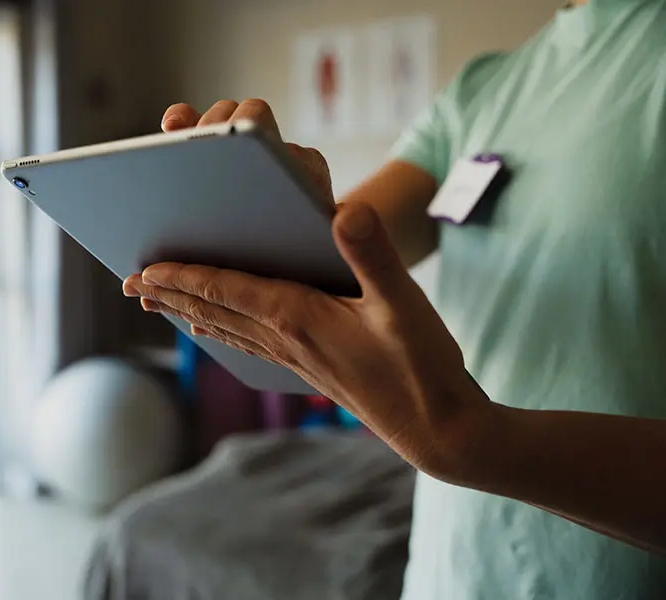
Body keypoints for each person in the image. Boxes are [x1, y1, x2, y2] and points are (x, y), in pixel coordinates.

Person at [123, 0, 666, 598]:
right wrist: (274, 210)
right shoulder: (482, 89)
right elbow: (346, 247)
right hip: (451, 569)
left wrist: (474, 439)